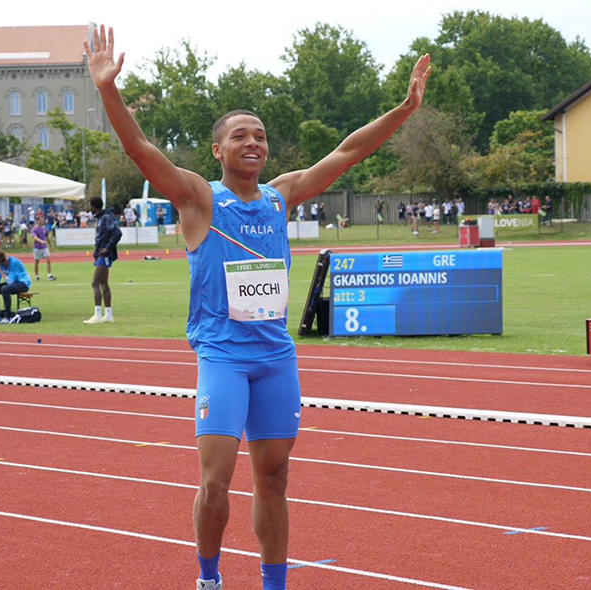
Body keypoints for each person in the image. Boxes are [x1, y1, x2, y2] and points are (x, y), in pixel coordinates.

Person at [85, 24, 430, 590]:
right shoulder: (198, 197)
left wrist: (405, 108)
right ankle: (209, 578)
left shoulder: (281, 195)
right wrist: (108, 91)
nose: (254, 144)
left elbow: (350, 149)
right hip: (223, 355)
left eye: (262, 137)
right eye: (242, 136)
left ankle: (275, 584)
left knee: (274, 477)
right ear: (219, 149)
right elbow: (139, 149)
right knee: (216, 480)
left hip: (275, 357)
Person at [85, 196, 119, 324]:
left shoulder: (105, 218)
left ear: (94, 206)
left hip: (104, 255)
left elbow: (117, 233)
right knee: (104, 284)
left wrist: (107, 248)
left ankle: (97, 315)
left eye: (91, 206)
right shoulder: (102, 218)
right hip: (102, 254)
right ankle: (109, 315)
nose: (90, 209)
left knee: (95, 283)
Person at [0, 247, 32, 324]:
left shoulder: (14, 262)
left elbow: (10, 281)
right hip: (12, 283)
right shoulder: (0, 264)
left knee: (5, 289)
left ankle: (8, 316)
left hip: (23, 283)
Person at [31, 217, 57, 282]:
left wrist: (50, 246)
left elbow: (47, 237)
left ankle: (49, 275)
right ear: (37, 221)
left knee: (48, 260)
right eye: (41, 220)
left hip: (44, 247)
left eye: (43, 220)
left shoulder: (44, 228)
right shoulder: (34, 229)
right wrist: (41, 241)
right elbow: (35, 237)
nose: (42, 221)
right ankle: (36, 276)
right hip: (37, 248)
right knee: (37, 262)